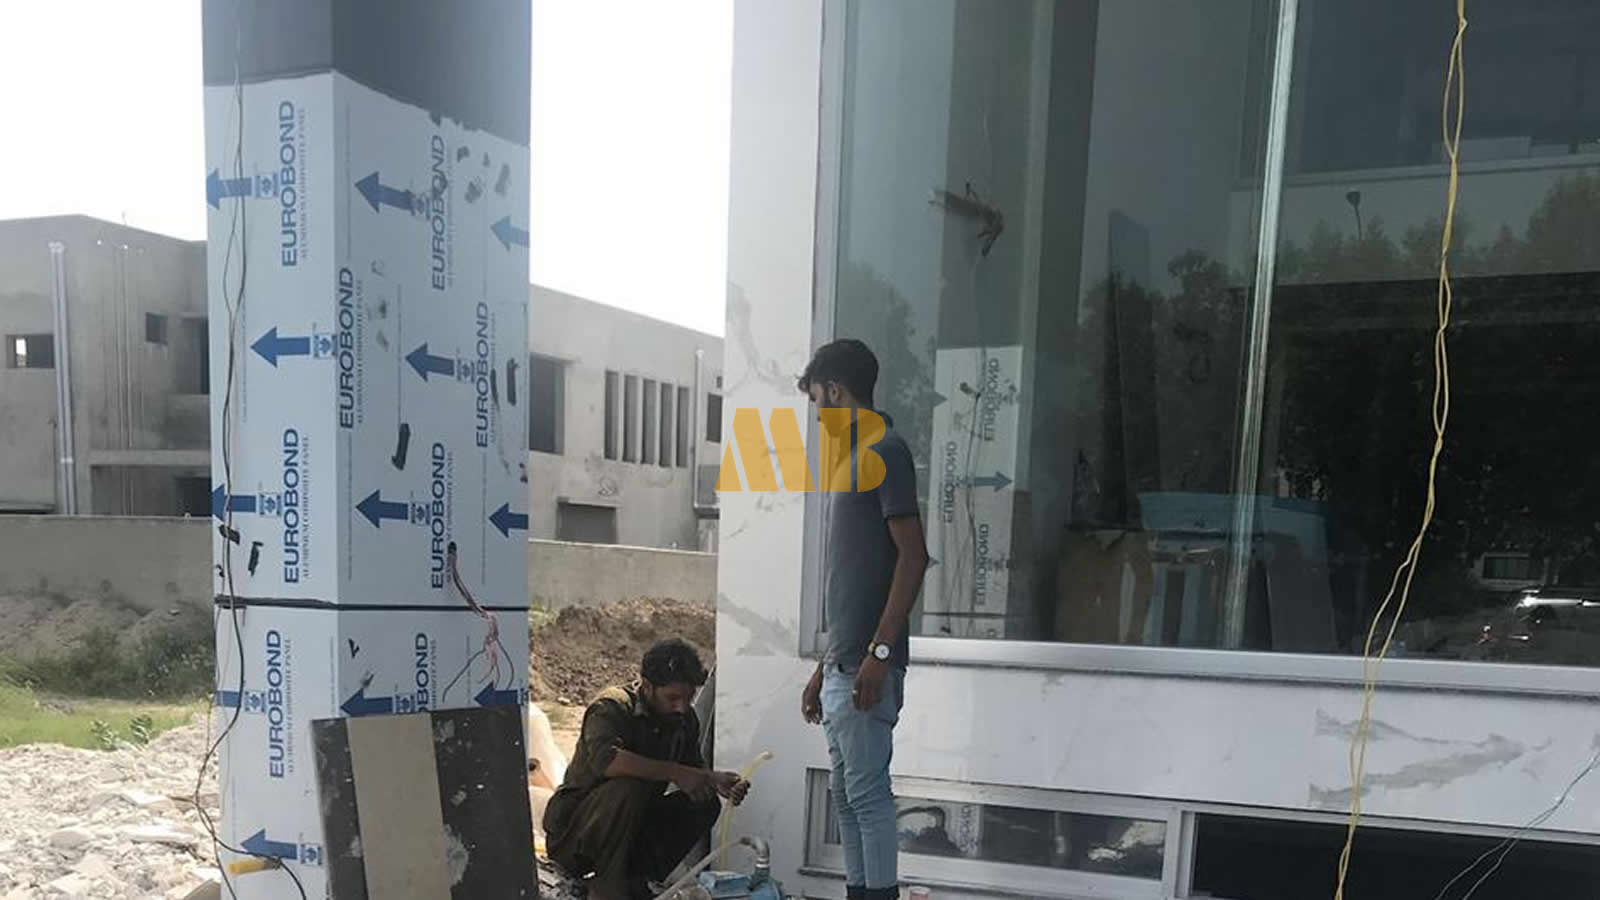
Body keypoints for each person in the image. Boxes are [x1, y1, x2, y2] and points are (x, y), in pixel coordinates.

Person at [797, 338, 928, 900]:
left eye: (817, 401)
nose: (818, 416)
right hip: (842, 666)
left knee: (869, 798)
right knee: (848, 800)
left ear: (835, 390)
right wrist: (823, 668)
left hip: (866, 667)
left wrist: (879, 653)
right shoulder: (850, 461)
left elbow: (913, 557)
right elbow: (851, 580)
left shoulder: (885, 451)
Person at [544, 639, 749, 900]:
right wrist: (676, 772)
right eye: (672, 698)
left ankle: (638, 880)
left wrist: (713, 781)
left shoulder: (684, 720)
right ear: (647, 686)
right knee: (629, 786)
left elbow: (691, 772)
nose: (682, 707)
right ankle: (605, 885)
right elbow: (606, 761)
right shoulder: (612, 707)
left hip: (633, 830)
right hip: (576, 836)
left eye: (689, 698)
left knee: (703, 803)